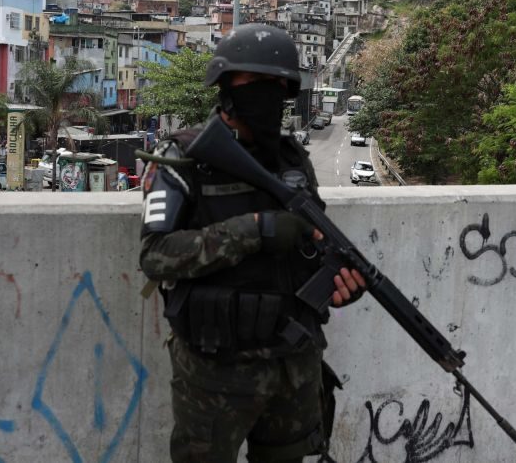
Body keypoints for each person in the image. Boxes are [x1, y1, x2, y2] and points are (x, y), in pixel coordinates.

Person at [139, 23, 365, 463]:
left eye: (278, 86)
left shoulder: (293, 160)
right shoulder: (186, 158)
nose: (268, 94)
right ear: (226, 86)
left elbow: (313, 246)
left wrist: (338, 283)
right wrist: (255, 230)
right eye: (254, 83)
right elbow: (156, 256)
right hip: (214, 374)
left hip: (292, 366)